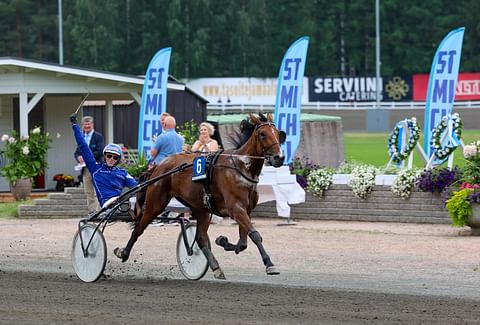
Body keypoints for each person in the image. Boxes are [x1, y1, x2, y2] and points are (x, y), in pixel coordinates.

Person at [70, 114, 137, 210]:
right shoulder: (96, 168)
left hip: (123, 202)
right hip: (109, 204)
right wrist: (75, 126)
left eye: (115, 157)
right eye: (109, 156)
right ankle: (93, 211)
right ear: (105, 156)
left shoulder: (122, 172)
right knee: (89, 193)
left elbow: (136, 186)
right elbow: (83, 146)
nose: (111, 159)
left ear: (118, 159)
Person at [74, 116, 104, 213]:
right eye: (85, 124)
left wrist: (87, 158)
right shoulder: (81, 137)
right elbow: (77, 152)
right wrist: (79, 157)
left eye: (89, 124)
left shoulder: (98, 136)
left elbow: (100, 151)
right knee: (88, 191)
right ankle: (92, 211)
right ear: (82, 126)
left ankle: (100, 211)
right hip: (85, 169)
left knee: (97, 190)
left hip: (95, 167)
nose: (87, 126)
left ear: (92, 125)